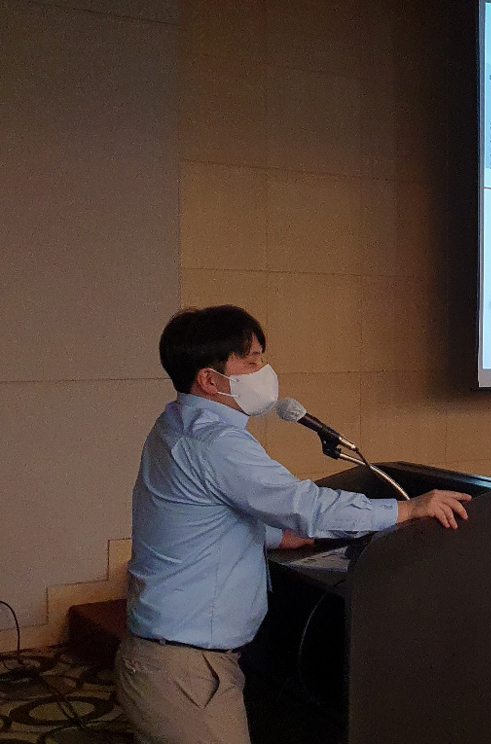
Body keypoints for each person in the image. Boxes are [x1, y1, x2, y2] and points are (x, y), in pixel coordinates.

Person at [114, 305, 470, 744]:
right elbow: (304, 506)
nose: (263, 371)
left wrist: (277, 536)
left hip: (170, 663)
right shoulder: (214, 442)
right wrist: (406, 511)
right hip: (185, 674)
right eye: (251, 361)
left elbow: (204, 515)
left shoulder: (176, 424)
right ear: (209, 379)